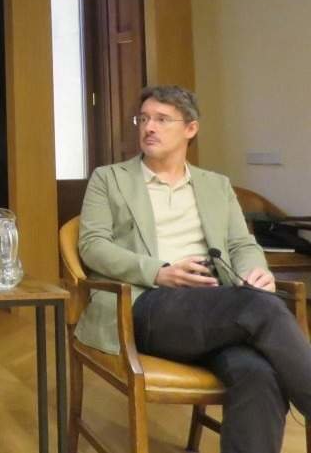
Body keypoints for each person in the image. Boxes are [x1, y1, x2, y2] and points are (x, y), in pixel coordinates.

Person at [75, 85, 311, 453]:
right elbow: (93, 247)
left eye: (162, 119)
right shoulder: (109, 179)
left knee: (258, 374)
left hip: (217, 306)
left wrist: (256, 270)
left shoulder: (215, 185)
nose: (148, 127)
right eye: (144, 118)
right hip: (149, 303)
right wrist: (159, 271)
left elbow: (241, 245)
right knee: (260, 307)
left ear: (190, 129)